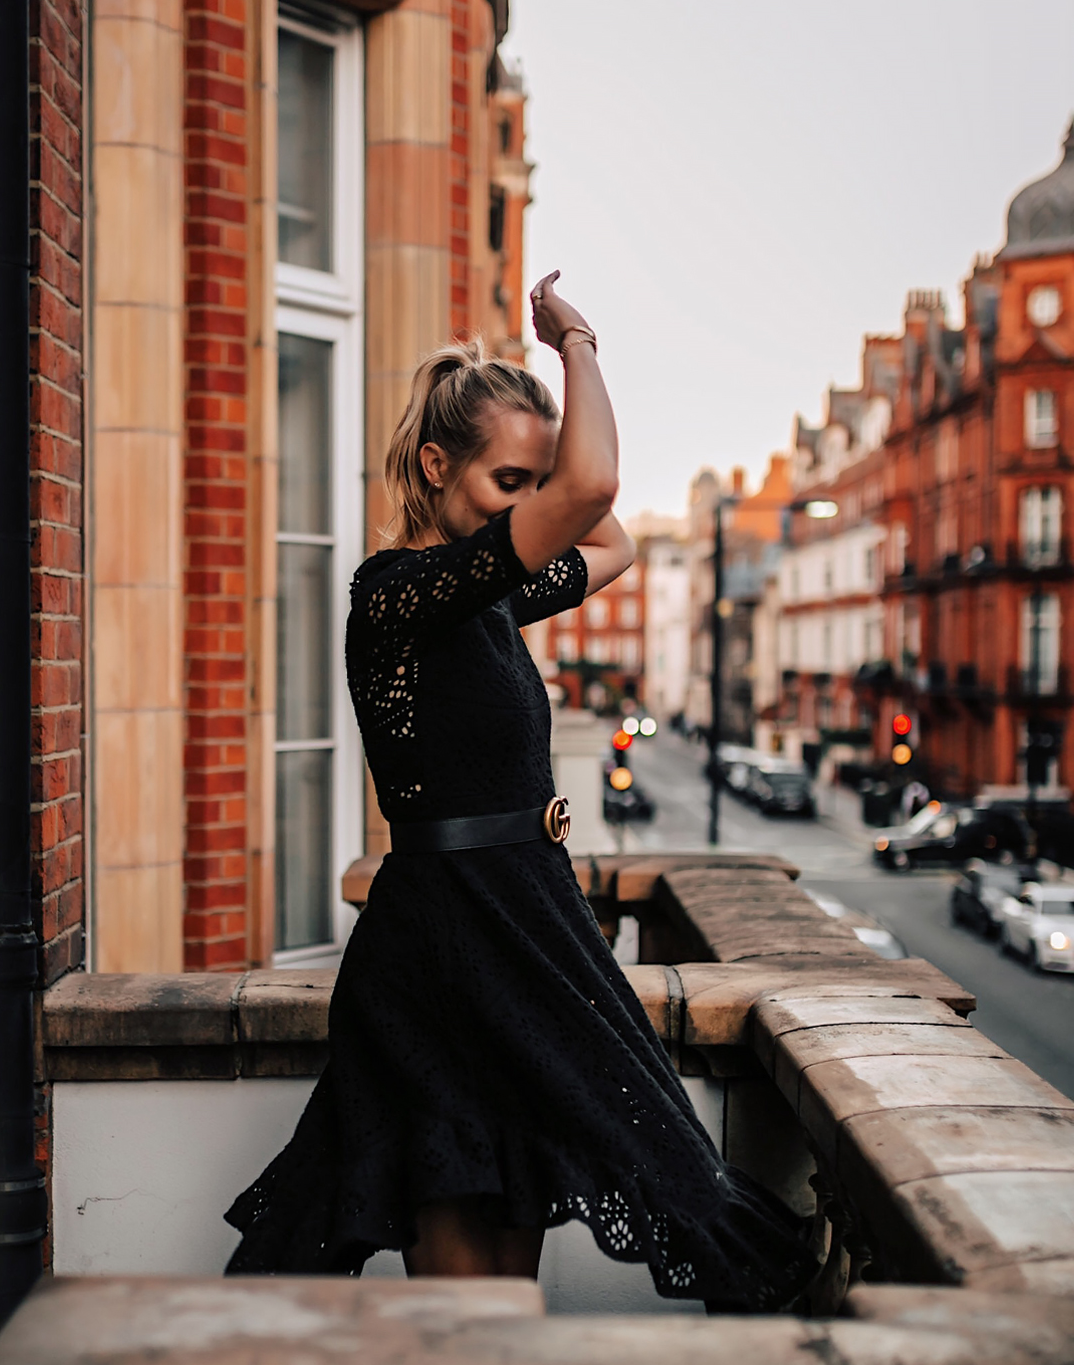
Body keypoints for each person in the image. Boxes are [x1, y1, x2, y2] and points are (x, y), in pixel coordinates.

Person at [224, 273, 814, 1309]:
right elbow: (589, 496)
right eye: (510, 481)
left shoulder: (488, 596)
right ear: (434, 463)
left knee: (528, 1271)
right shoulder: (399, 595)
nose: (533, 500)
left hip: (525, 927)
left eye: (535, 481)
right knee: (466, 1308)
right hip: (448, 949)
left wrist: (552, 440)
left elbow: (612, 535)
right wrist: (576, 341)